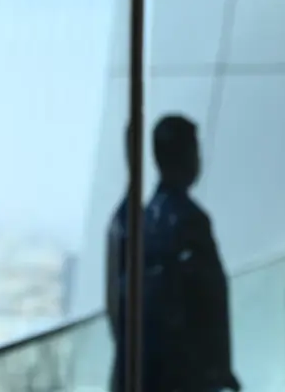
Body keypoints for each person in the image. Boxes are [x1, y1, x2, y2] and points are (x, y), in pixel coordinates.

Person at [106, 115, 240, 391]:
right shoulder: (189, 221)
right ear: (188, 156)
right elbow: (211, 300)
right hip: (182, 376)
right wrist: (221, 370)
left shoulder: (137, 223)